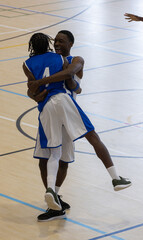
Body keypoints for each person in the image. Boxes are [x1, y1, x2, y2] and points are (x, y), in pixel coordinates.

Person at [24, 32, 132, 222]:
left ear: (71, 44)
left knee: (62, 159)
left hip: (65, 110)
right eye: (55, 41)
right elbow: (32, 90)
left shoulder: (75, 60)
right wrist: (34, 93)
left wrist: (47, 86)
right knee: (46, 158)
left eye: (61, 41)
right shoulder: (54, 60)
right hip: (55, 111)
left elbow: (72, 80)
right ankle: (54, 203)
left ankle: (55, 194)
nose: (57, 43)